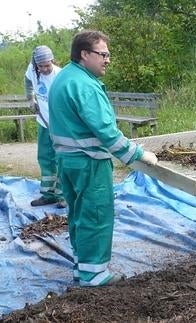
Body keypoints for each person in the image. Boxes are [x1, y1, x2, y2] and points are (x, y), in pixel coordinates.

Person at [48, 30, 158, 287]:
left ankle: (82, 267)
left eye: (108, 54)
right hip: (89, 163)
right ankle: (94, 275)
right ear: (84, 54)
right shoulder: (85, 85)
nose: (107, 59)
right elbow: (107, 133)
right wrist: (139, 155)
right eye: (103, 54)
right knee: (95, 216)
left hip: (68, 162)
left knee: (78, 216)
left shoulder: (65, 76)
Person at [24, 45, 66, 208]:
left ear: (52, 61)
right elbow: (27, 80)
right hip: (43, 122)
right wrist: (30, 98)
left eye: (47, 65)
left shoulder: (60, 75)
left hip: (59, 125)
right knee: (45, 158)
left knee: (61, 159)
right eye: (41, 66)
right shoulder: (33, 70)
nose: (44, 69)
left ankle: (63, 195)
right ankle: (49, 194)